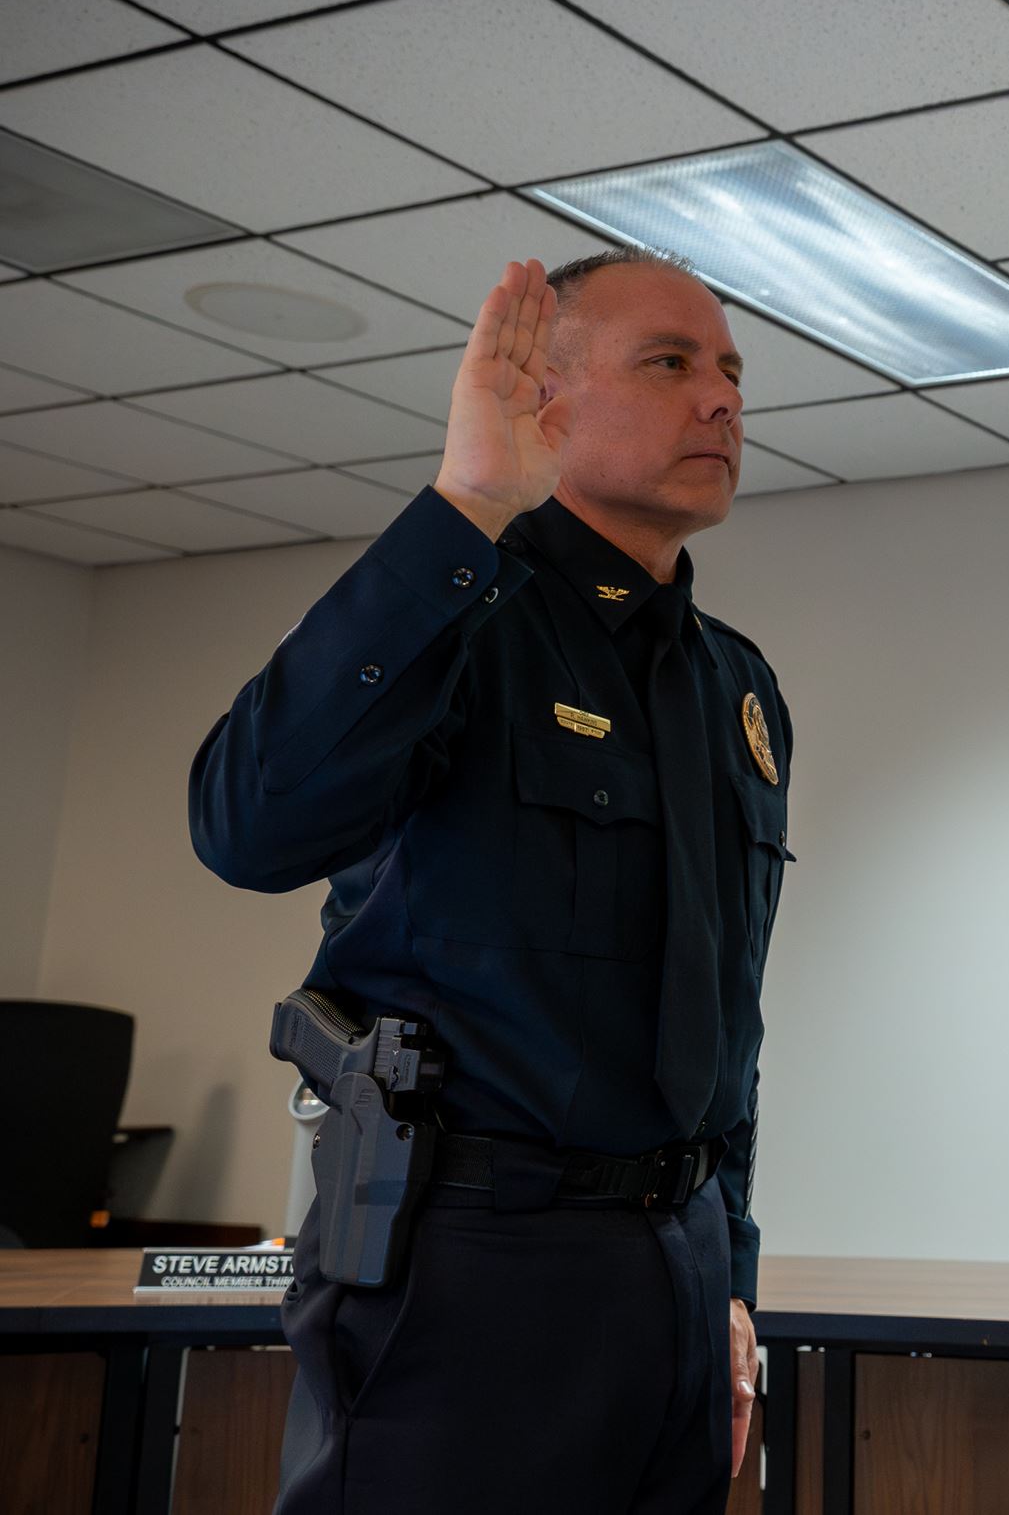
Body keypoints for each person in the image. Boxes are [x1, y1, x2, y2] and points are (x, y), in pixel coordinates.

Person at [190, 248, 793, 1514]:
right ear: (548, 400)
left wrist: (728, 1275)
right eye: (670, 363)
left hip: (674, 1268)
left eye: (732, 370)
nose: (723, 401)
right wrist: (464, 504)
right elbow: (245, 827)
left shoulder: (735, 686)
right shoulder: (458, 620)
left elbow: (726, 1026)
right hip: (468, 1265)